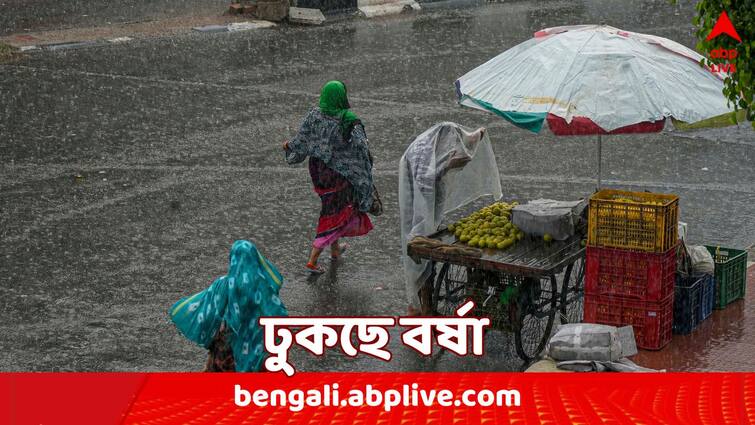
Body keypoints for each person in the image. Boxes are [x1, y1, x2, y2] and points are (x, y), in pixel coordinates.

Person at [399, 123, 502, 315]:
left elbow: (466, 142)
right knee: (419, 248)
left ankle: (422, 304)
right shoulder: (423, 158)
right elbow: (425, 189)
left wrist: (477, 135)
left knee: (430, 236)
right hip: (417, 197)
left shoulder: (447, 134)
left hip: (431, 189)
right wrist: (448, 165)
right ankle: (419, 304)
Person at [283, 81, 375, 274]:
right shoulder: (348, 120)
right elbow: (360, 147)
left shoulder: (314, 115)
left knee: (335, 207)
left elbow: (302, 138)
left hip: (319, 172)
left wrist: (290, 147)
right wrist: (363, 166)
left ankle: (335, 249)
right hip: (338, 175)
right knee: (334, 212)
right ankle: (313, 259)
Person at [169, 240, 287, 372]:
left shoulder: (224, 284)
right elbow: (279, 314)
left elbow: (206, 306)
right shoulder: (263, 287)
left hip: (226, 346)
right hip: (256, 346)